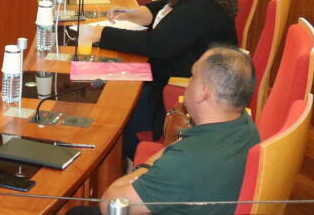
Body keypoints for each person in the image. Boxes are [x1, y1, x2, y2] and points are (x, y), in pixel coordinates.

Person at [92, 0, 238, 159]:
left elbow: (155, 45)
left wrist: (102, 35)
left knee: (110, 90)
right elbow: (168, 5)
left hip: (181, 88)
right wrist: (138, 13)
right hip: (176, 68)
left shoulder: (200, 6)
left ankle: (122, 155)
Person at [96, 47, 259, 215]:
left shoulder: (185, 161)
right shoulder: (246, 125)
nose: (189, 82)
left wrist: (146, 167)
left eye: (193, 76)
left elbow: (110, 205)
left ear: (203, 92)